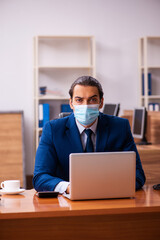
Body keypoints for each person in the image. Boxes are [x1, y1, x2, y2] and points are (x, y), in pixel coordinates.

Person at [33, 76, 146, 193]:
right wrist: (69, 187)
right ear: (71, 103)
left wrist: (106, 187)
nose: (85, 106)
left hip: (109, 198)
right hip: (67, 202)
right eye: (79, 100)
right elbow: (40, 177)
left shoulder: (120, 127)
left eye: (92, 100)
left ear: (101, 102)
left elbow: (138, 175)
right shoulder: (53, 130)